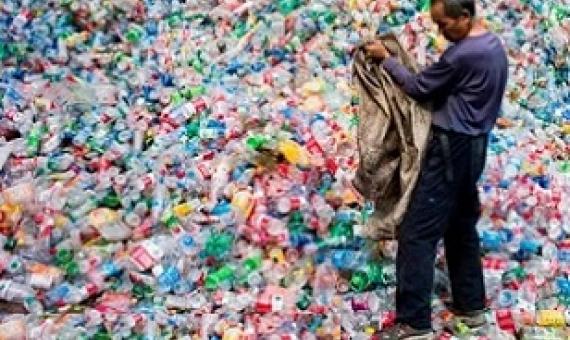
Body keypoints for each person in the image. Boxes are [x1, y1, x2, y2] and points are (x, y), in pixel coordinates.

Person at [363, 0, 508, 339]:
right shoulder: (492, 45)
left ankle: (414, 323)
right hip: (475, 147)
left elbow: (419, 87)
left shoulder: (463, 54)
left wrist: (388, 61)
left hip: (450, 149)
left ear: (465, 17)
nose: (440, 32)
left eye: (445, 25)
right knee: (460, 226)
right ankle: (471, 306)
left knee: (417, 233)